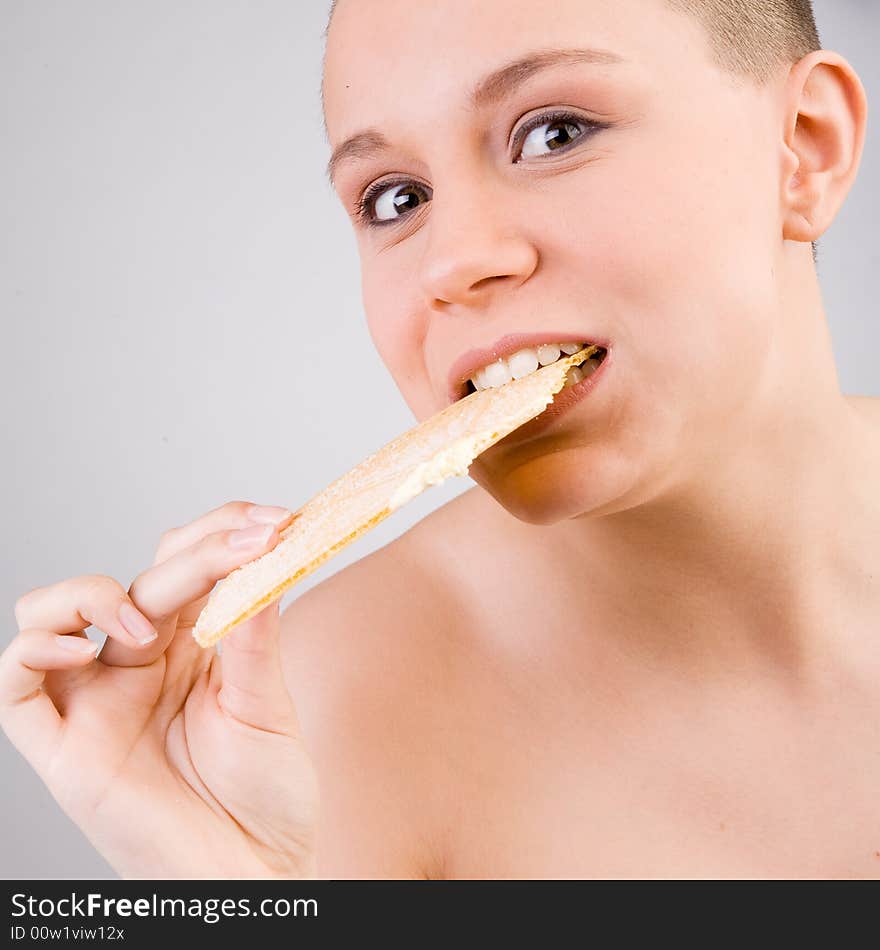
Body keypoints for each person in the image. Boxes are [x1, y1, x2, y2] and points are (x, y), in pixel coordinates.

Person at [2, 0, 879, 880]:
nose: (453, 260)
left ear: (804, 148)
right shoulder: (307, 724)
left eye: (555, 133)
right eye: (397, 198)